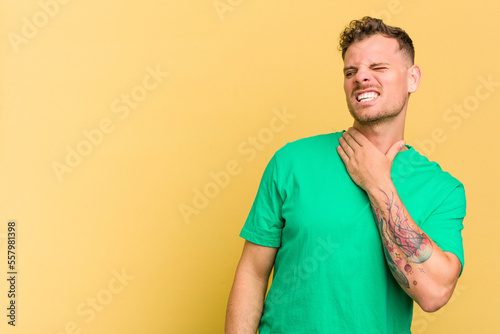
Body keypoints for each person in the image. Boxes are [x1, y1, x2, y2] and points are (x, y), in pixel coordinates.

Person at [225, 16, 466, 334]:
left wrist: (377, 181)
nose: (361, 78)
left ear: (412, 79)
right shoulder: (292, 161)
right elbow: (253, 273)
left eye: (378, 68)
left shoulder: (442, 189)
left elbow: (433, 294)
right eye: (351, 72)